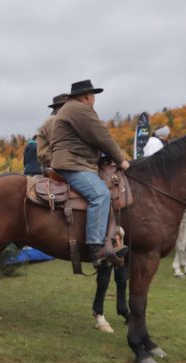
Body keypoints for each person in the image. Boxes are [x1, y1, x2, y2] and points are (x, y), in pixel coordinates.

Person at [49, 79, 130, 266]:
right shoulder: (80, 109)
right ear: (87, 96)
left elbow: (90, 139)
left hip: (76, 161)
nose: (94, 99)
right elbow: (101, 135)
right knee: (100, 194)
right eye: (93, 95)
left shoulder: (70, 109)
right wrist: (121, 160)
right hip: (73, 164)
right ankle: (97, 248)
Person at [36, 93, 68, 170]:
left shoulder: (57, 120)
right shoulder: (53, 121)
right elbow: (61, 143)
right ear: (60, 107)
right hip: (52, 160)